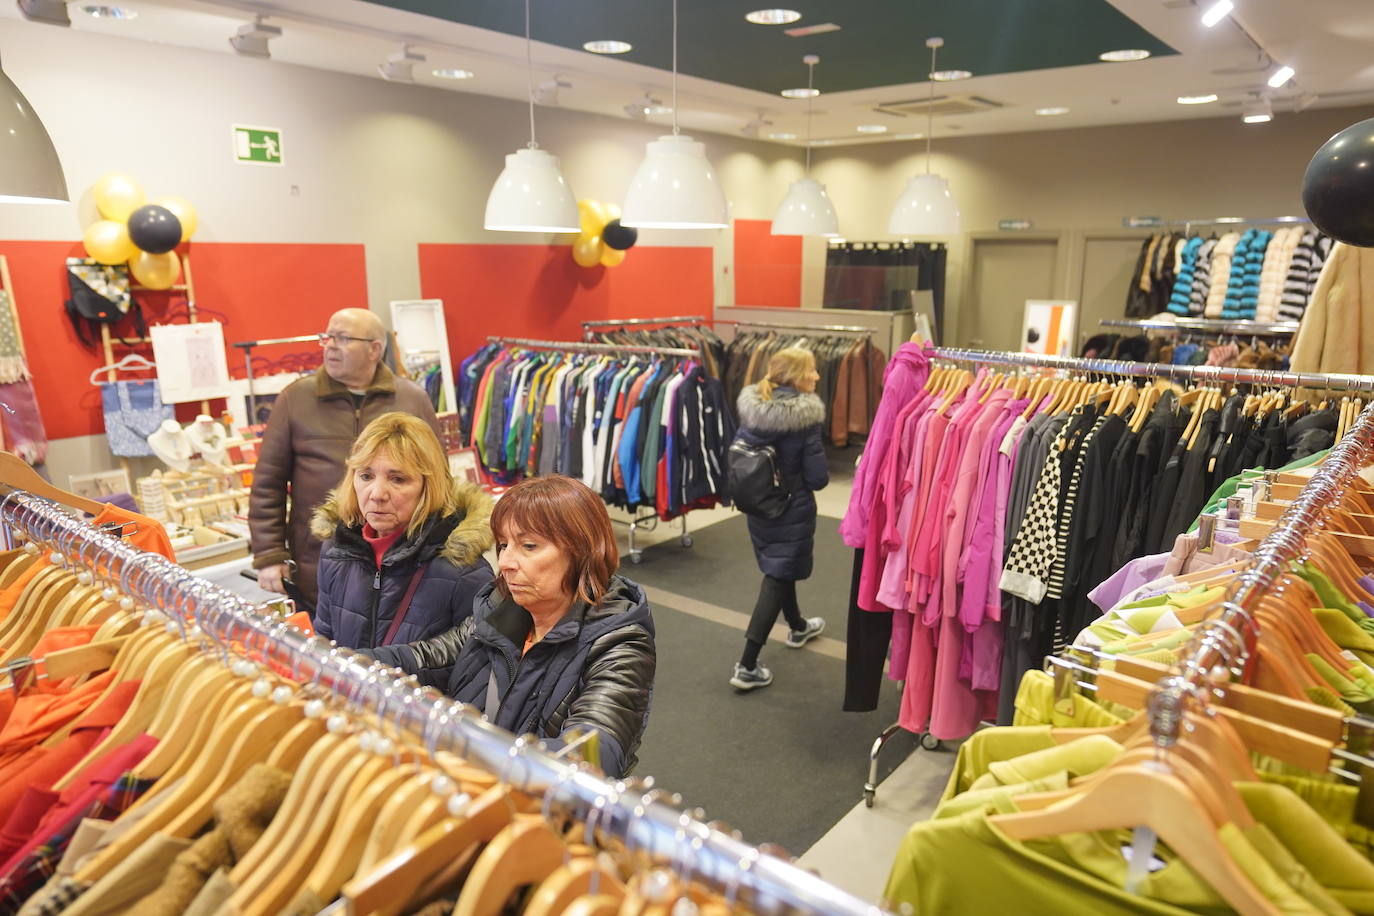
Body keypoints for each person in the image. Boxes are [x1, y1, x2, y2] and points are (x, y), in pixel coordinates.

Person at [368, 476, 655, 777]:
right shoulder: (500, 612)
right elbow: (426, 657)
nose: (505, 562)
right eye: (504, 545)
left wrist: (469, 750)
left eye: (529, 546)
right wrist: (344, 662)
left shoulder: (620, 643)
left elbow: (593, 751)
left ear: (582, 551)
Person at [249, 307, 440, 608]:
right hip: (318, 562)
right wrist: (269, 554)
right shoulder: (295, 399)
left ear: (374, 349)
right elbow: (267, 484)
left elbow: (438, 478)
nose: (331, 346)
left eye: (343, 338)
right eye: (327, 337)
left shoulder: (412, 399)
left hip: (401, 562)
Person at [311, 412, 495, 650]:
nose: (377, 494)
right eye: (366, 476)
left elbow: (475, 663)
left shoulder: (464, 571)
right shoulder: (335, 550)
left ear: (428, 486)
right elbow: (324, 642)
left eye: (397, 479)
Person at [730, 347, 829, 691]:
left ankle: (798, 626)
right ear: (795, 377)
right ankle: (747, 665)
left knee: (781, 568)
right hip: (791, 508)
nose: (817, 376)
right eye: (811, 370)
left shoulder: (755, 407)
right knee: (777, 576)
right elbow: (817, 478)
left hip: (759, 505)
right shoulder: (805, 418)